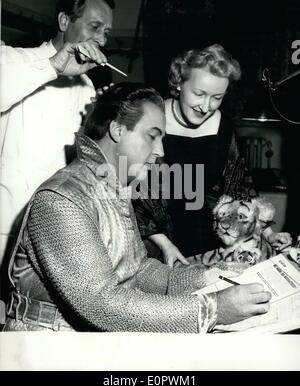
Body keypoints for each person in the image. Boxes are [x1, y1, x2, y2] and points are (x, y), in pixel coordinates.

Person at [2, 83, 271, 332]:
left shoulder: (110, 184)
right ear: (118, 130)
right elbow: (100, 303)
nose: (159, 151)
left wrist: (210, 275)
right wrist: (213, 308)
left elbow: (138, 269)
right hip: (47, 349)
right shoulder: (61, 198)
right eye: (152, 137)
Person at [133, 44, 291, 262]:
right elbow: (135, 196)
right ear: (179, 83)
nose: (206, 106)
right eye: (199, 94)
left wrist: (268, 233)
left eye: (217, 98)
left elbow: (238, 188)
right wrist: (164, 245)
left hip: (210, 239)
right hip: (157, 241)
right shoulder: (151, 120)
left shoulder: (222, 127)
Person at [0, 0, 115, 268]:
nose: (101, 38)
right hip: (6, 224)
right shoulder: (11, 58)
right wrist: (53, 66)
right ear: (65, 22)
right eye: (95, 26)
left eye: (106, 32)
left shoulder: (86, 84)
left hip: (54, 226)